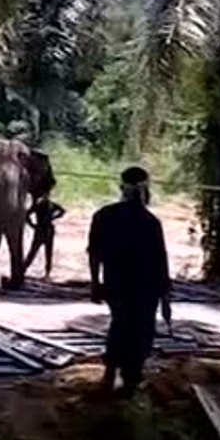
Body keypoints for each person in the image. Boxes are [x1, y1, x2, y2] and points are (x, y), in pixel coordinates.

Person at [87, 167, 172, 397]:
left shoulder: (104, 216)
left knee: (121, 325)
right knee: (141, 330)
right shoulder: (150, 221)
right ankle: (129, 378)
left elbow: (94, 254)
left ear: (120, 187)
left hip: (118, 283)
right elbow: (160, 260)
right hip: (145, 287)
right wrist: (165, 296)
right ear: (146, 189)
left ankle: (112, 373)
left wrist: (95, 283)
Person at [24, 196, 66, 280]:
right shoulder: (50, 204)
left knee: (35, 252)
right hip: (47, 229)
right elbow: (62, 211)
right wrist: (53, 217)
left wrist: (32, 225)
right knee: (46, 253)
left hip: (41, 229)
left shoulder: (39, 205)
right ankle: (46, 273)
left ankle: (23, 269)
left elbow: (27, 215)